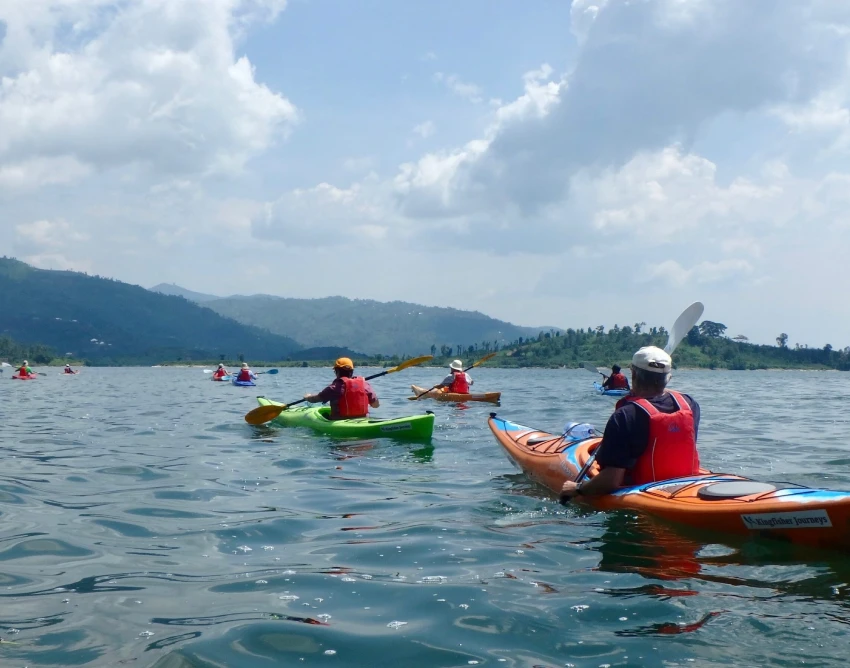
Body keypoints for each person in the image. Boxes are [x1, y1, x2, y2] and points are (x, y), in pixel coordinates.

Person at [560, 346, 700, 501]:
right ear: (668, 378)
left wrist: (578, 488)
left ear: (633, 373)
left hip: (643, 491)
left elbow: (611, 481)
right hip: (686, 485)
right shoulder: (689, 404)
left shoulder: (625, 415)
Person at [304, 357, 379, 419]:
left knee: (324, 416)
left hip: (340, 420)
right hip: (363, 420)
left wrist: (307, 397)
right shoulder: (365, 384)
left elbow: (316, 399)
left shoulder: (334, 388)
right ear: (352, 371)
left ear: (337, 371)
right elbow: (376, 405)